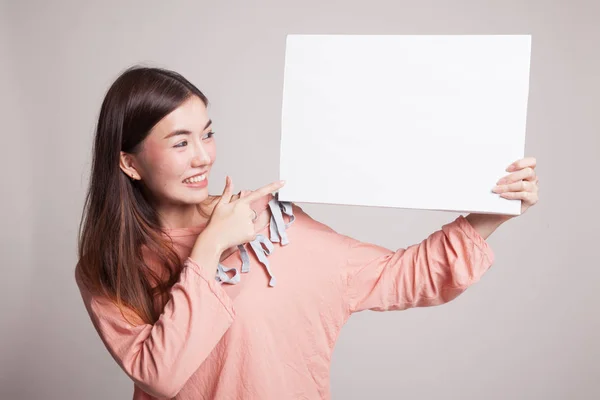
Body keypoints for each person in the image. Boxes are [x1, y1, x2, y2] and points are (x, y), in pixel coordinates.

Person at [75, 66, 539, 400]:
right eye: (180, 142)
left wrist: (492, 212)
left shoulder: (272, 222)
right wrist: (212, 244)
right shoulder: (107, 266)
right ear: (128, 162)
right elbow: (161, 374)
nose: (203, 157)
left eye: (207, 133)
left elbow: (394, 275)